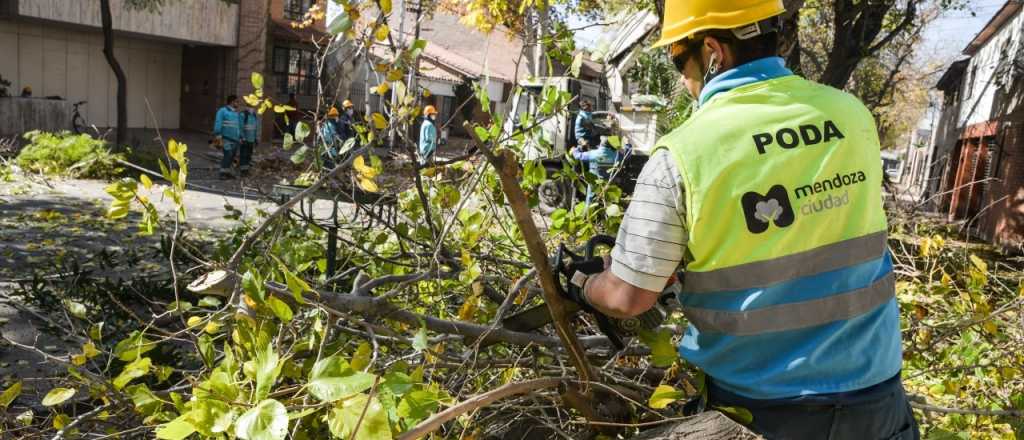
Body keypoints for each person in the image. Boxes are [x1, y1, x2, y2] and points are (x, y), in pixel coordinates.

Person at [570, 2, 919, 439]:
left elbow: (627, 298)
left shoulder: (685, 153)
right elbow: (812, 228)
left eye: (679, 57)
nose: (682, 76)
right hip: (879, 401)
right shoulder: (851, 115)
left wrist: (584, 286)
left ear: (714, 51)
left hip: (763, 413)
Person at [570, 137, 617, 205]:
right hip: (607, 183)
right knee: (606, 200)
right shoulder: (615, 155)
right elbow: (626, 155)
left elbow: (578, 156)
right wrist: (627, 144)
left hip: (594, 183)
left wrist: (575, 149)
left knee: (590, 200)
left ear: (601, 145)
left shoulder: (594, 154)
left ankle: (587, 213)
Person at [213, 95, 243, 180]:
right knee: (228, 154)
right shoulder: (222, 111)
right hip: (225, 138)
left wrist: (240, 137)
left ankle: (228, 172)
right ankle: (222, 173)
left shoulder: (236, 113)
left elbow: (238, 126)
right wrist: (218, 134)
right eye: (237, 102)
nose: (238, 103)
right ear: (232, 102)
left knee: (232, 156)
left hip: (235, 139)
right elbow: (218, 122)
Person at [240, 106, 261, 177]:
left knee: (249, 155)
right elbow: (240, 127)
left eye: (253, 107)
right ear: (247, 107)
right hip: (245, 140)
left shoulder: (254, 116)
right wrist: (243, 138)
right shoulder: (243, 115)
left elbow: (255, 128)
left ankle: (246, 170)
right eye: (251, 107)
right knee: (244, 155)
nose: (253, 108)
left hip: (251, 139)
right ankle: (242, 171)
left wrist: (256, 139)